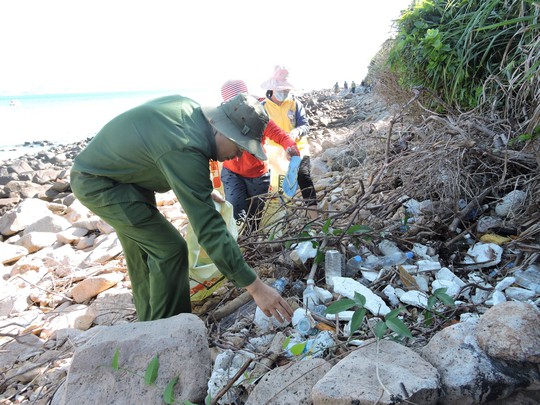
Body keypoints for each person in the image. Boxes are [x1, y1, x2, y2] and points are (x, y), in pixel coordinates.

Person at [70, 93, 293, 323]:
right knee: (169, 251)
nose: (239, 154)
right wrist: (256, 288)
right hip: (99, 183)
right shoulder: (185, 147)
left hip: (126, 178)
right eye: (240, 145)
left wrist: (201, 190)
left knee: (146, 251)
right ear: (221, 129)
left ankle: (149, 324)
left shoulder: (191, 114)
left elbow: (161, 152)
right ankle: (169, 331)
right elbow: (209, 229)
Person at [219, 80, 299, 229]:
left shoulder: (258, 118)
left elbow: (280, 136)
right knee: (236, 210)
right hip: (231, 173)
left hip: (258, 175)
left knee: (254, 215)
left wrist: (291, 148)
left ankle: (250, 243)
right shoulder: (221, 120)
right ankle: (237, 243)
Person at [261, 65, 318, 219]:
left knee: (304, 177)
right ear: (271, 88)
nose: (284, 93)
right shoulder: (263, 108)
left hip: (298, 148)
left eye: (286, 90)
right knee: (277, 186)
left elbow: (305, 125)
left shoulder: (294, 103)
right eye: (281, 89)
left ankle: (315, 219)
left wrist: (297, 131)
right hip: (275, 154)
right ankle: (279, 220)